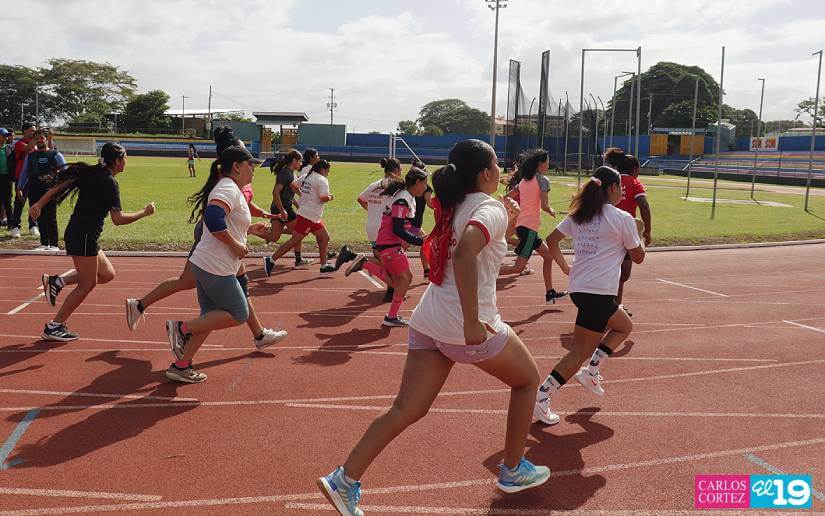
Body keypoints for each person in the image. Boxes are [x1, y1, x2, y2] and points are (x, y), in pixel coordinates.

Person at [318, 140, 550, 516]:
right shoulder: (487, 208)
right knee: (527, 381)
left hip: (429, 321)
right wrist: (474, 321)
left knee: (405, 408)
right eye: (496, 164)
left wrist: (501, 225)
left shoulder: (457, 205)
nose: (501, 169)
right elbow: (464, 252)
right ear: (486, 173)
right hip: (464, 326)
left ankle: (344, 480)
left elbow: (458, 251)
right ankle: (511, 469)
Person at [125, 127, 286, 350]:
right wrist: (239, 237)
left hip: (226, 229)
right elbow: (218, 212)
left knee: (238, 285)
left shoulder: (236, 174)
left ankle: (258, 334)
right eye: (244, 152)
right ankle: (141, 305)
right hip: (213, 233)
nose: (250, 159)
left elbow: (243, 204)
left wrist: (257, 218)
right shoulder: (229, 176)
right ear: (235, 156)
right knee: (190, 282)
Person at [533, 166, 645, 425]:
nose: (623, 192)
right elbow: (638, 258)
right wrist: (639, 232)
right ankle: (541, 397)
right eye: (622, 187)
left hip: (581, 289)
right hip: (598, 292)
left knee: (624, 325)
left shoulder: (581, 215)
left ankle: (592, 370)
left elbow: (551, 240)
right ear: (613, 188)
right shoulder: (622, 218)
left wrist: (564, 266)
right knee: (579, 351)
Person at [30, 142, 156, 341]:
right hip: (84, 234)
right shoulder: (109, 182)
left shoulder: (92, 173)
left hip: (84, 233)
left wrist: (39, 204)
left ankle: (57, 281)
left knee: (106, 274)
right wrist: (145, 212)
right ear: (117, 161)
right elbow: (118, 219)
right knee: (88, 283)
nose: (126, 161)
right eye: (125, 157)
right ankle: (54, 326)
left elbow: (58, 187)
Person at [163, 145, 260, 383]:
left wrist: (248, 231)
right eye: (250, 165)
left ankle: (181, 365)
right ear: (236, 167)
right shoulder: (228, 187)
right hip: (215, 265)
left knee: (209, 316)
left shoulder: (230, 188)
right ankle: (182, 329)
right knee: (239, 313)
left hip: (206, 263)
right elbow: (213, 217)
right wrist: (235, 245)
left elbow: (225, 220)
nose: (254, 170)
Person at [345, 167, 428, 327]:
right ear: (417, 182)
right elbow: (398, 228)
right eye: (424, 184)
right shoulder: (403, 199)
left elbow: (401, 226)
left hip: (389, 241)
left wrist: (419, 238)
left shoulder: (406, 196)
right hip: (389, 242)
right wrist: (419, 242)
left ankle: (391, 316)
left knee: (401, 282)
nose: (425, 188)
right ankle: (391, 316)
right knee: (404, 280)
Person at [499, 149, 567, 304]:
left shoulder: (524, 180)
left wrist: (512, 209)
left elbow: (507, 197)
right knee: (518, 267)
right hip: (529, 229)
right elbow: (544, 205)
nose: (549, 164)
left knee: (548, 256)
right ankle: (482, 275)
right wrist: (551, 210)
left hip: (524, 227)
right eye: (547, 162)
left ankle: (550, 293)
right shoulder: (543, 180)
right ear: (540, 164)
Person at [263, 159, 337, 275]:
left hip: (312, 215)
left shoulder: (307, 176)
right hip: (309, 215)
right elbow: (323, 198)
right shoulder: (322, 180)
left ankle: (324, 266)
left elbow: (293, 185)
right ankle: (271, 260)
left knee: (324, 238)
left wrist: (304, 195)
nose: (328, 173)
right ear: (323, 169)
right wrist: (331, 197)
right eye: (328, 170)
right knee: (295, 240)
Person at [604, 148, 652, 317]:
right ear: (634, 169)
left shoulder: (611, 180)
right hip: (625, 232)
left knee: (612, 270)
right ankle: (612, 306)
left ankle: (616, 306)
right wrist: (647, 231)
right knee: (623, 273)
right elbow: (644, 205)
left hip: (605, 229)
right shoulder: (634, 182)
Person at [18, 129, 67, 250]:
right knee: (38, 215)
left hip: (50, 190)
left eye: (42, 138)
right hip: (34, 189)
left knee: (50, 216)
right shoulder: (31, 156)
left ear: (46, 139)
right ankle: (44, 242)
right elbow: (24, 172)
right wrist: (19, 187)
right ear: (34, 140)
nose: (40, 140)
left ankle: (54, 244)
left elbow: (65, 172)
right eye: (37, 138)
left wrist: (61, 187)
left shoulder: (55, 154)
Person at [267, 149, 312, 267]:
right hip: (282, 208)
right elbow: (275, 192)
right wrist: (282, 210)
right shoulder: (285, 173)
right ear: (294, 161)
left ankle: (254, 230)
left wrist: (298, 205)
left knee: (274, 237)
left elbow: (289, 194)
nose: (301, 164)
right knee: (299, 232)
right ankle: (298, 260)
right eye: (300, 161)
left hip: (282, 207)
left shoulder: (292, 173)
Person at [9, 122, 39, 238]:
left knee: (34, 202)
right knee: (19, 202)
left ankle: (33, 225)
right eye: (32, 131)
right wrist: (37, 137)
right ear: (25, 132)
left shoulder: (36, 144)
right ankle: (15, 226)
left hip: (34, 178)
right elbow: (27, 148)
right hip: (22, 178)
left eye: (35, 131)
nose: (34, 133)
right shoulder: (19, 143)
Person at [410, 159, 433, 279]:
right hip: (413, 223)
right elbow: (430, 204)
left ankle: (427, 270)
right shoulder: (427, 188)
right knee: (399, 249)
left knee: (426, 243)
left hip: (410, 221)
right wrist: (442, 205)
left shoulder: (407, 184)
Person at [0, 128, 13, 229]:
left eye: (6, 136)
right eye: (3, 135)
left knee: (7, 201)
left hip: (7, 178)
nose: (5, 137)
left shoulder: (9, 148)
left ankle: (10, 223)